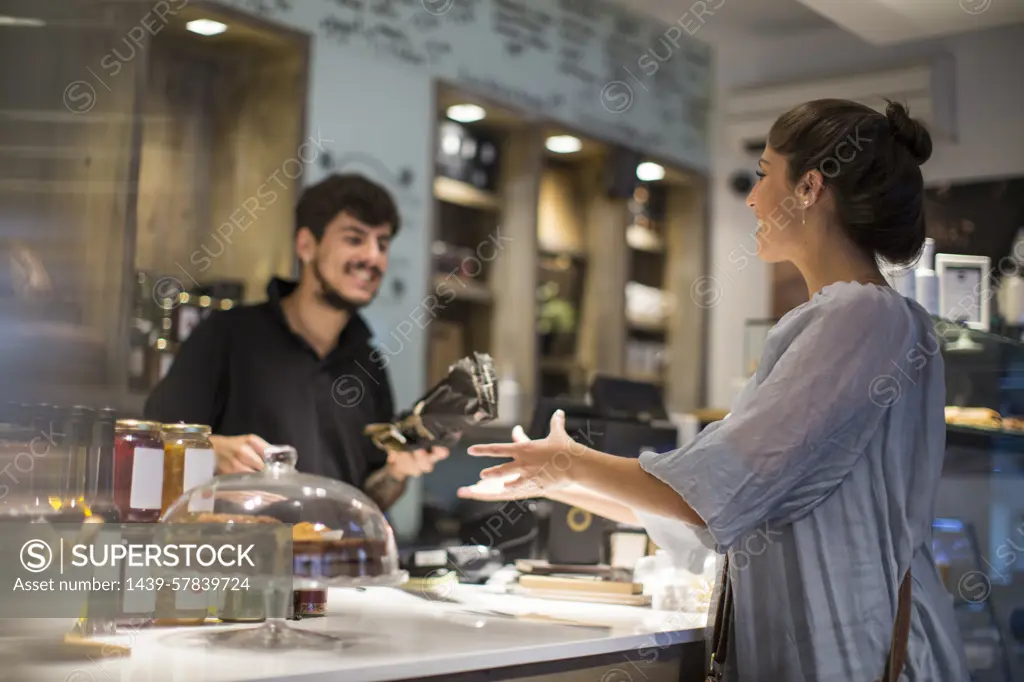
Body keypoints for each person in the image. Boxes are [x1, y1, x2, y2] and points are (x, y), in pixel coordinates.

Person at [459, 100, 970, 681]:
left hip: (850, 654)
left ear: (808, 188)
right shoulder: (862, 318)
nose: (751, 199)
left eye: (762, 174)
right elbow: (719, 514)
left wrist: (571, 461)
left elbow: (721, 486)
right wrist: (563, 475)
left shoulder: (859, 316)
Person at [145, 173, 447, 511]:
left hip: (336, 559)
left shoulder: (369, 364)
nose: (373, 257)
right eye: (354, 238)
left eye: (382, 243)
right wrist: (211, 451)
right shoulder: (226, 336)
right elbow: (150, 446)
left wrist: (397, 472)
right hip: (236, 557)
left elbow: (366, 501)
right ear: (306, 245)